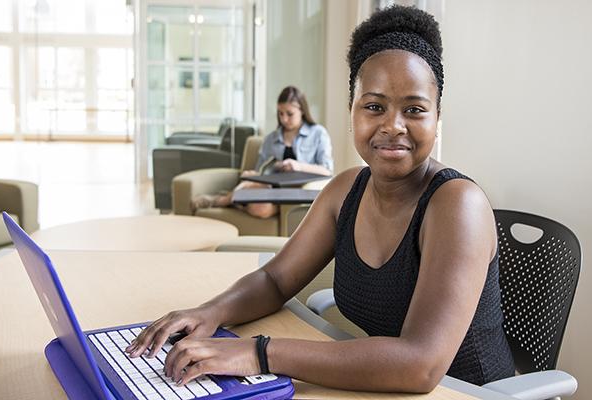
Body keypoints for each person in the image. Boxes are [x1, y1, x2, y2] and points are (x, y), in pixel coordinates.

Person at [128, 5, 515, 393]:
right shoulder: (345, 190)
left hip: (465, 392)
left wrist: (259, 353)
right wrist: (208, 313)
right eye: (374, 106)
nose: (393, 125)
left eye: (414, 109)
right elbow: (275, 279)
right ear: (352, 111)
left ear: (437, 115)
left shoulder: (457, 204)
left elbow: (421, 365)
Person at [190, 86, 333, 218]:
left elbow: (327, 170)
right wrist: (254, 175)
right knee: (252, 194)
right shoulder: (272, 138)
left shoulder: (318, 134)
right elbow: (260, 172)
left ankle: (222, 200)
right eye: (280, 114)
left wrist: (299, 166)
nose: (284, 119)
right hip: (273, 188)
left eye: (289, 114)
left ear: (302, 110)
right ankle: (232, 200)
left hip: (300, 189)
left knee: (258, 206)